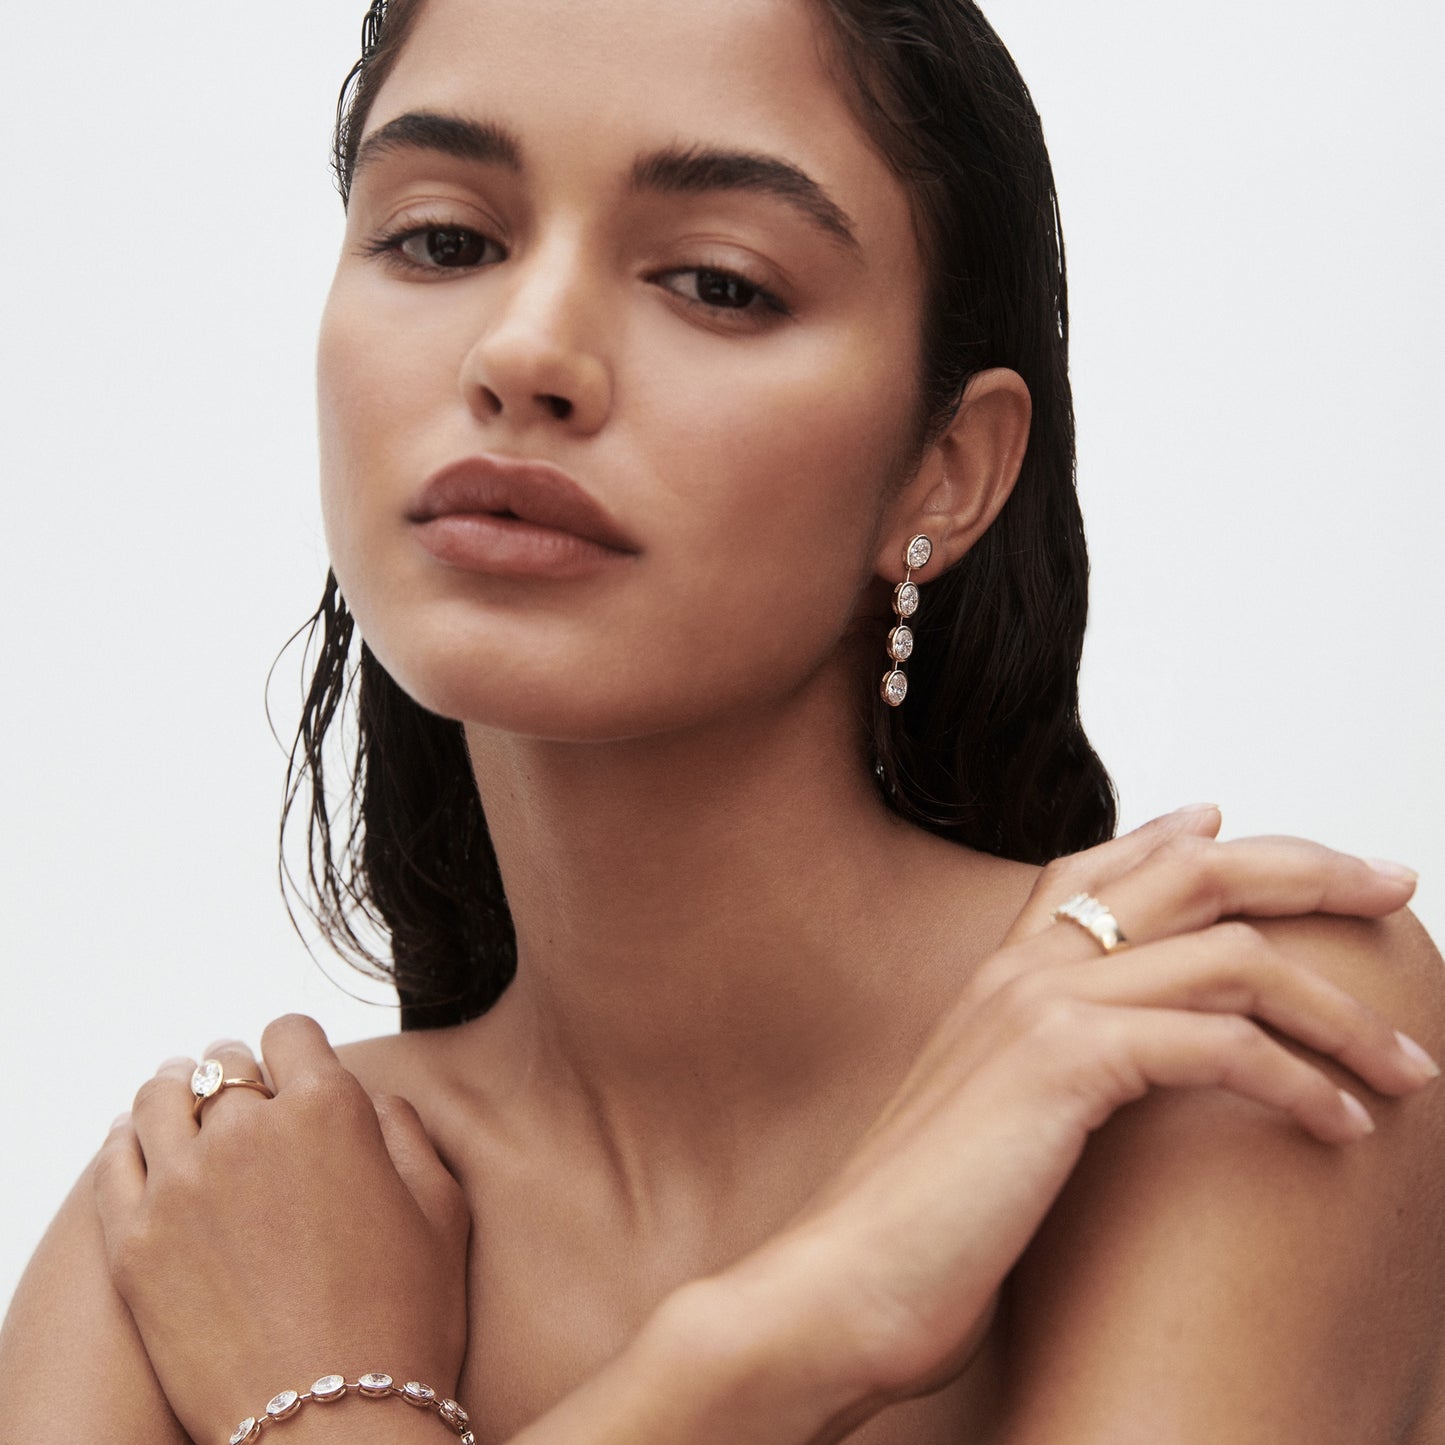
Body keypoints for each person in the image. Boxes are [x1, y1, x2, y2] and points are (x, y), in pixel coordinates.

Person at [3, 0, 1442, 1441]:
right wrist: (808, 1321)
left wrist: (327, 1415)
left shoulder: (1215, 1030)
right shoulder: (226, 1205)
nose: (524, 352)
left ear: (942, 472)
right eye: (442, 240)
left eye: (716, 280)